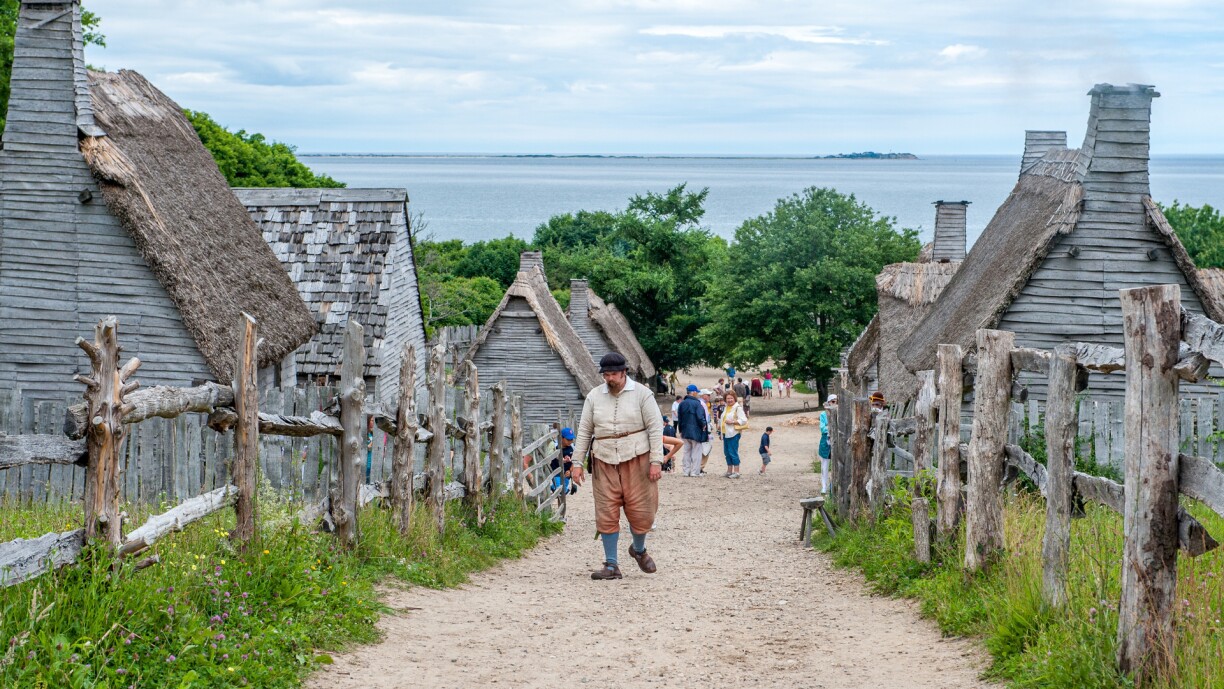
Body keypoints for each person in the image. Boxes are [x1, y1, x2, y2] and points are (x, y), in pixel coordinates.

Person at [571, 352, 665, 581]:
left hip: (638, 458)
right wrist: (576, 463)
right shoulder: (594, 396)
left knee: (642, 510)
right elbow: (584, 431)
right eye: (606, 375)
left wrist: (656, 460)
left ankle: (639, 550)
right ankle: (611, 565)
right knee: (606, 510)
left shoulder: (643, 394)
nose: (610, 379)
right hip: (603, 460)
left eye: (613, 374)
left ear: (624, 373)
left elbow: (655, 428)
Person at [677, 384, 708, 478]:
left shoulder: (682, 403)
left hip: (685, 430)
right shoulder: (697, 403)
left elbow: (679, 418)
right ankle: (695, 471)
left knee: (686, 451)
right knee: (696, 451)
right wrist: (703, 424)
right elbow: (700, 416)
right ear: (693, 392)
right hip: (695, 430)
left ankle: (686, 471)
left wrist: (680, 430)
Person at [719, 391, 748, 478]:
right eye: (728, 398)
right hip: (725, 433)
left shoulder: (737, 408)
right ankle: (729, 471)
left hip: (733, 433)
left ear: (734, 398)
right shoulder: (726, 407)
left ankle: (736, 472)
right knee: (727, 452)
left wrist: (732, 422)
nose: (729, 400)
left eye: (731, 398)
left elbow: (744, 420)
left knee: (733, 452)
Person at [551, 427, 578, 499]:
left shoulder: (571, 449)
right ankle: (557, 490)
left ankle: (553, 488)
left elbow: (573, 463)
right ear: (561, 438)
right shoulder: (556, 449)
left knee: (563, 488)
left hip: (566, 474)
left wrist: (570, 471)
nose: (570, 441)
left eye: (572, 439)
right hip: (557, 473)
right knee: (561, 490)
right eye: (568, 439)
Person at [819, 395, 836, 494]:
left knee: (836, 465)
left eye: (836, 401)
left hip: (837, 441)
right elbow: (823, 428)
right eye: (833, 401)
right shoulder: (823, 414)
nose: (835, 403)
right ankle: (824, 486)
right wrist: (831, 427)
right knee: (824, 466)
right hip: (826, 441)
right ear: (829, 402)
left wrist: (829, 426)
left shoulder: (839, 413)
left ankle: (832, 486)